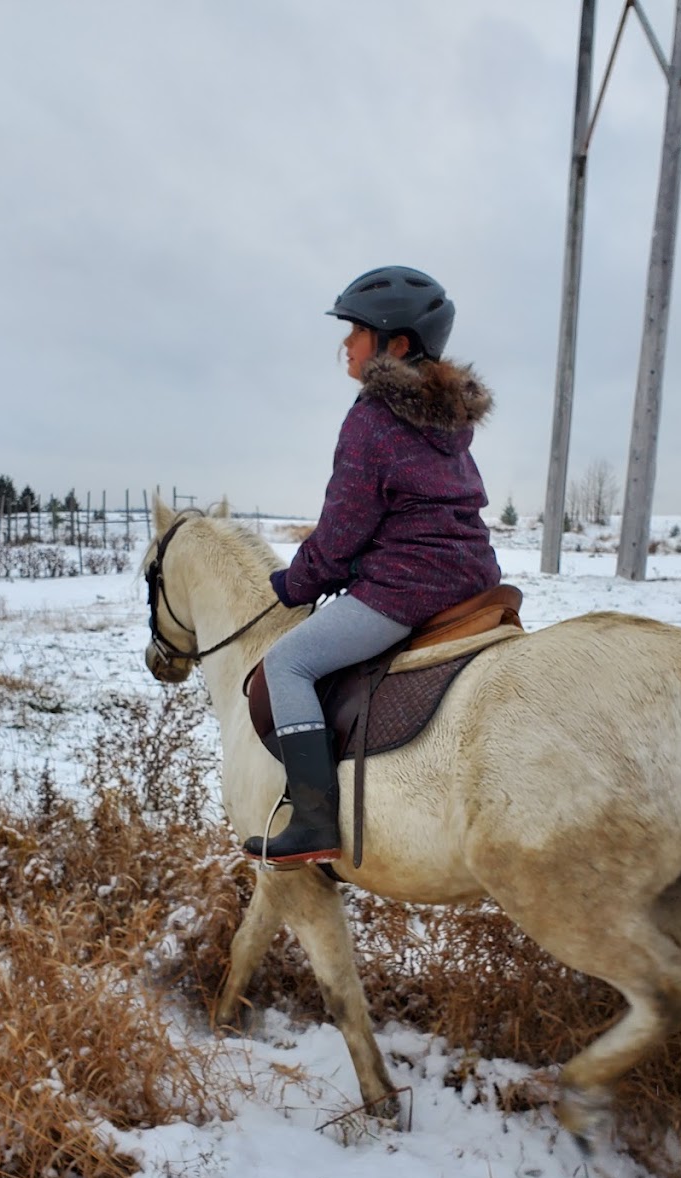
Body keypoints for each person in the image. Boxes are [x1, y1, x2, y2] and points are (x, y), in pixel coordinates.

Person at [243, 266, 501, 866]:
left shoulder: (373, 419)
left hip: (406, 591)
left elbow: (342, 530)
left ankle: (312, 819)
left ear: (398, 343)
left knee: (288, 662)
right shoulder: (446, 419)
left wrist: (297, 581)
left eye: (357, 331)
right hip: (473, 583)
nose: (346, 344)